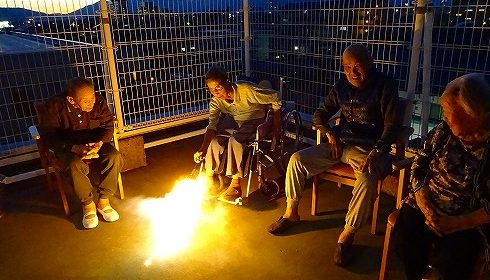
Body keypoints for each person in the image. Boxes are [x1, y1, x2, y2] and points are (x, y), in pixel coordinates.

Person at [268, 44, 401, 266]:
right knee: (297, 160)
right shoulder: (341, 86)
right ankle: (292, 212)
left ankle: (348, 233)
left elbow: (392, 125)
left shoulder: (386, 85)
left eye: (358, 67)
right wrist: (330, 134)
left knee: (367, 179)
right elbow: (320, 114)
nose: (352, 73)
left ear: (370, 63)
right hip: (340, 144)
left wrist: (377, 151)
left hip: (369, 150)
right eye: (347, 67)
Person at [393, 73, 490, 280]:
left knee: (458, 255)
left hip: (467, 216)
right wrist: (425, 205)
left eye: (447, 110)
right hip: (428, 201)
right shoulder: (444, 130)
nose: (443, 115)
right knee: (404, 233)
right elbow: (419, 165)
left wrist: (457, 223)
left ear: (472, 113)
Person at [39, 77, 122, 229]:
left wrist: (100, 143)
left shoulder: (98, 102)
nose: (91, 103)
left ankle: (104, 200)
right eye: (85, 100)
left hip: (93, 143)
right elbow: (49, 137)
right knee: (74, 164)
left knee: (114, 156)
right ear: (71, 99)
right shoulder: (54, 106)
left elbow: (108, 125)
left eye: (93, 97)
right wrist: (74, 148)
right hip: (67, 146)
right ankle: (88, 204)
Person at [193, 65, 282, 203]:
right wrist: (202, 149)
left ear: (227, 82)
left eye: (218, 87)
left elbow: (275, 96)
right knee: (215, 140)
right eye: (210, 89)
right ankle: (209, 177)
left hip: (256, 118)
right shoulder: (216, 101)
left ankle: (235, 184)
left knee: (235, 141)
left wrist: (276, 128)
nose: (214, 92)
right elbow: (212, 126)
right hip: (236, 119)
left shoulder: (245, 90)